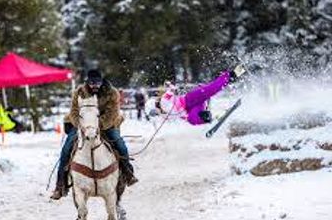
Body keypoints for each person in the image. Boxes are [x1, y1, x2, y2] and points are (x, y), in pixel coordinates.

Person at [50, 69, 139, 200]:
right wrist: (83, 126)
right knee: (67, 148)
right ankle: (60, 185)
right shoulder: (79, 92)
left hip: (106, 124)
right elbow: (74, 112)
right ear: (87, 82)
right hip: (83, 124)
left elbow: (112, 113)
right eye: (92, 83)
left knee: (119, 144)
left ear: (102, 82)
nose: (94, 86)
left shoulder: (112, 93)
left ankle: (127, 172)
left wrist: (98, 126)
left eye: (97, 83)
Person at [160, 65, 246, 125]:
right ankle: (211, 117)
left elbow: (170, 90)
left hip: (190, 99)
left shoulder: (164, 100)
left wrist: (171, 87)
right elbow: (182, 117)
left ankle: (232, 74)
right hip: (191, 109)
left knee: (212, 89)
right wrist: (201, 117)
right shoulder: (166, 116)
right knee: (192, 119)